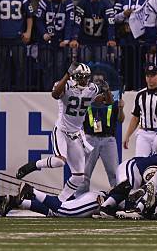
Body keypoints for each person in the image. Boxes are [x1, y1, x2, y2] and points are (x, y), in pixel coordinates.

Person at [15, 62, 112, 201]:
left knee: (79, 177)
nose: (86, 80)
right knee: (60, 161)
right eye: (82, 77)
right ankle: (33, 165)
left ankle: (59, 202)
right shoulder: (66, 85)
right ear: (76, 77)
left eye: (87, 77)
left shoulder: (91, 88)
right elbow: (55, 94)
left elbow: (107, 102)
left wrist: (107, 90)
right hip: (62, 130)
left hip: (76, 134)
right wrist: (67, 75)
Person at [80, 72, 125, 193]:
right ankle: (78, 199)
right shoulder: (87, 97)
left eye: (101, 81)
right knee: (84, 173)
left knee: (114, 173)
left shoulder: (112, 98)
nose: (99, 83)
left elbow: (120, 119)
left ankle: (117, 199)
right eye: (96, 81)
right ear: (91, 83)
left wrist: (120, 108)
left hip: (108, 139)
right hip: (90, 138)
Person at [0, 0, 34, 91]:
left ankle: (20, 93)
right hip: (2, 36)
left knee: (20, 67)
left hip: (18, 37)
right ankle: (2, 93)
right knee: (2, 67)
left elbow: (29, 15)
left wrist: (28, 32)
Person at [123, 63, 157, 158]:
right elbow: (135, 117)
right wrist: (127, 136)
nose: (150, 78)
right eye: (148, 76)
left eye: (153, 75)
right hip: (144, 133)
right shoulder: (140, 95)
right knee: (140, 161)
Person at [72, 0, 117, 65]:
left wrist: (111, 38)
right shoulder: (83, 3)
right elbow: (77, 22)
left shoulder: (107, 4)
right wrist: (74, 38)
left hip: (101, 41)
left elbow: (110, 23)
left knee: (100, 65)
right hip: (85, 41)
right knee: (84, 65)